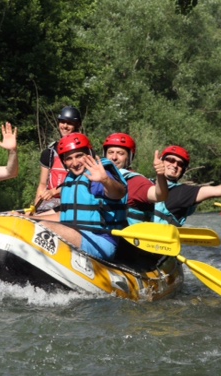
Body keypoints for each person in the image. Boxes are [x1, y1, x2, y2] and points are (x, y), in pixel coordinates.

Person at [28, 133, 127, 261]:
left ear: (89, 154)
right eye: (69, 158)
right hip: (74, 234)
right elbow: (63, 216)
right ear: (64, 162)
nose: (75, 163)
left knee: (42, 228)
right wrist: (28, 218)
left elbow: (118, 193)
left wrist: (105, 180)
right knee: (29, 224)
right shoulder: (71, 180)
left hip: (100, 241)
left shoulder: (98, 176)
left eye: (79, 156)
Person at [153, 146, 221, 225]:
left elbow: (217, 190)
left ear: (182, 171)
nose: (175, 165)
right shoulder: (146, 184)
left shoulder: (185, 192)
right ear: (161, 161)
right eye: (171, 160)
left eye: (180, 164)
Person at [102, 133, 168, 224]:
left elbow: (160, 196)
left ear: (129, 157)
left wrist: (161, 175)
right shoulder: (96, 178)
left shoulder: (136, 182)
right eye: (110, 152)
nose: (114, 157)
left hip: (127, 237)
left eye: (120, 153)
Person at [34, 106, 82, 212]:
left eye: (69, 123)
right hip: (50, 202)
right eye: (62, 122)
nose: (64, 126)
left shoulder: (84, 152)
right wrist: (34, 209)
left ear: (77, 125)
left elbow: (80, 184)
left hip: (72, 202)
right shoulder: (49, 152)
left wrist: (53, 192)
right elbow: (42, 184)